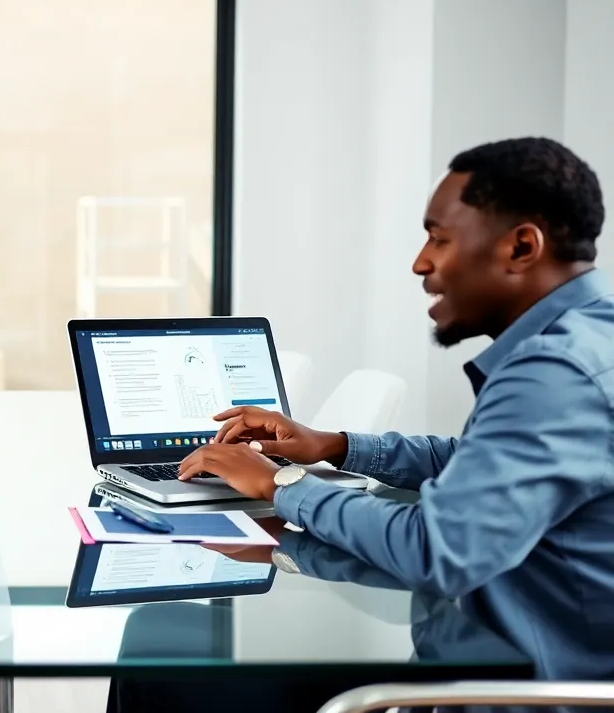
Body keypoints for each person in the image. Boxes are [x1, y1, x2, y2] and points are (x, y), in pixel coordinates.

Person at [177, 136, 614, 679]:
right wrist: (334, 446)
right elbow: (476, 462)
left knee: (166, 668)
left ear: (522, 247)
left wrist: (281, 485)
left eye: (439, 239)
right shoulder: (593, 342)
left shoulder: (555, 374)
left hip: (500, 691)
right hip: (510, 660)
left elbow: (435, 550)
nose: (420, 262)